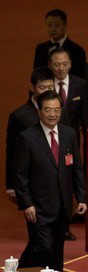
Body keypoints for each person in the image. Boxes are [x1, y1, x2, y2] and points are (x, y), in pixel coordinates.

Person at [13, 90, 87, 271]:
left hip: (63, 203)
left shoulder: (69, 134)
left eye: (56, 110)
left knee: (57, 249)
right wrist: (26, 203)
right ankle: (19, 270)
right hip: (38, 206)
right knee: (42, 246)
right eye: (47, 110)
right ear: (39, 111)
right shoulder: (27, 138)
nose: (52, 114)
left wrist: (81, 196)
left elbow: (76, 167)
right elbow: (20, 175)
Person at [6, 67, 54, 204]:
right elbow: (12, 151)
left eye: (50, 87)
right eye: (42, 87)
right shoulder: (19, 116)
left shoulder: (60, 111)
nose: (47, 91)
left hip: (57, 179)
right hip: (33, 181)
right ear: (32, 88)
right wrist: (11, 185)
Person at [48, 48, 88, 142]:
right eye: (57, 64)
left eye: (65, 64)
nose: (61, 68)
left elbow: (87, 119)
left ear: (70, 64)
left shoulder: (80, 85)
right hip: (49, 137)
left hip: (73, 139)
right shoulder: (45, 85)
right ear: (50, 65)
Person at [33, 9, 86, 78]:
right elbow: (36, 74)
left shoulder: (77, 50)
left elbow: (79, 77)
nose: (53, 29)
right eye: (49, 25)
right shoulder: (41, 48)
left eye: (57, 25)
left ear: (65, 25)